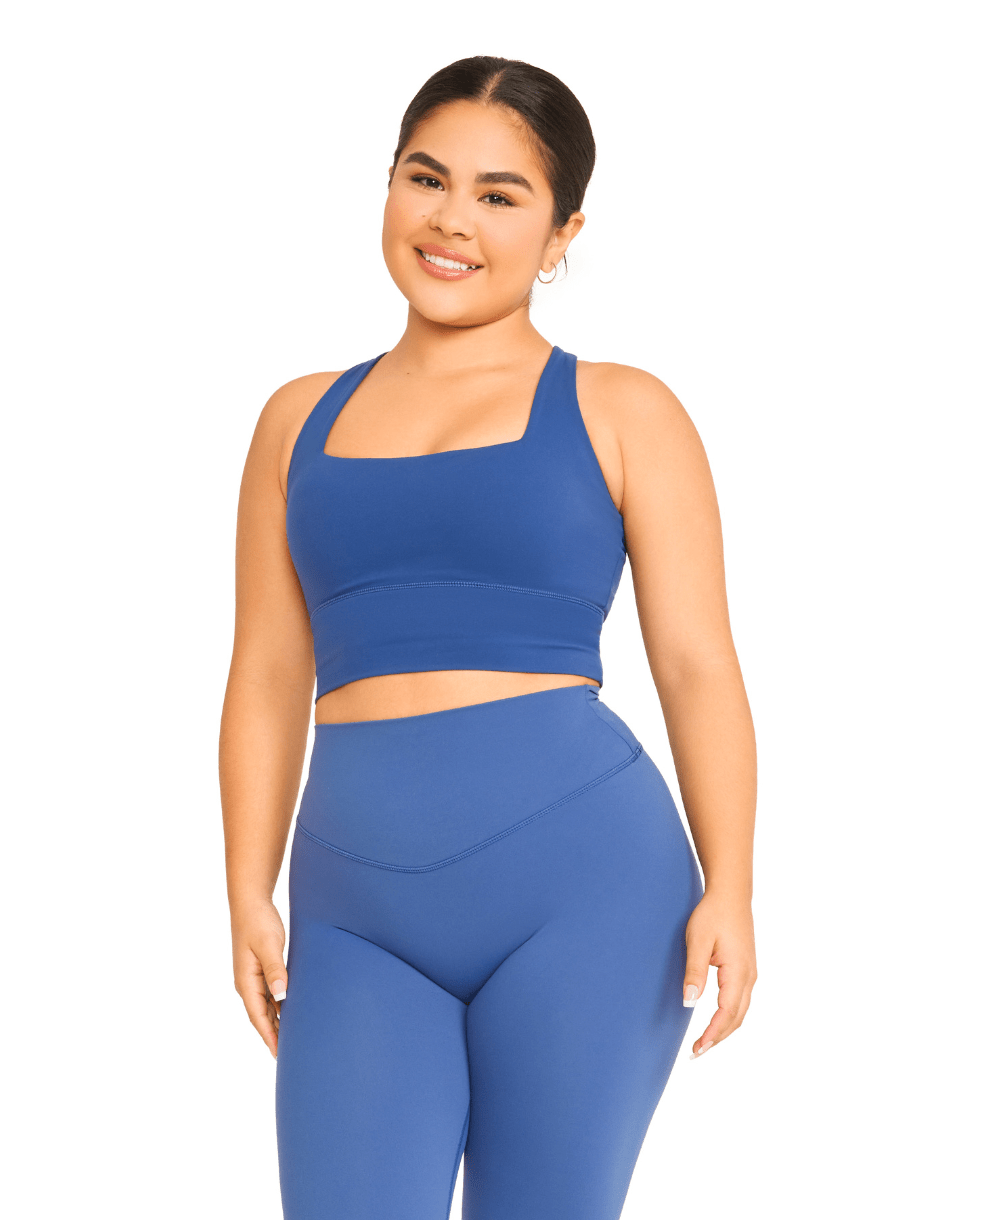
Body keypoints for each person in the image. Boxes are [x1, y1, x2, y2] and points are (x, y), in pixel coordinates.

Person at [219, 55, 757, 1220]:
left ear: (562, 234)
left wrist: (733, 884)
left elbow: (697, 663)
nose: (452, 219)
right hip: (355, 909)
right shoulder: (296, 419)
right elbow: (265, 673)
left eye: (500, 195)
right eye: (427, 179)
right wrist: (246, 887)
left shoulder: (625, 408)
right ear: (390, 187)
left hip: (588, 893)